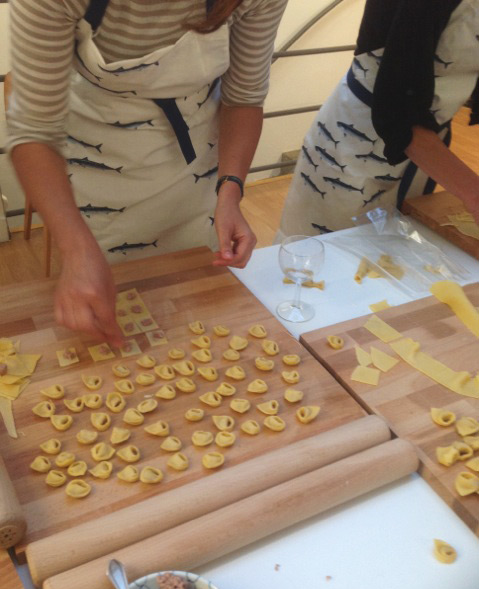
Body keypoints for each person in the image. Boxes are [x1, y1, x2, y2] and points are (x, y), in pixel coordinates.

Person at [6, 0, 288, 345]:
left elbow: (244, 98)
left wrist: (229, 192)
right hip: (98, 151)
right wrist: (78, 252)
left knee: (194, 313)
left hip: (195, 151)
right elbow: (33, 130)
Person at [278, 0, 479, 239]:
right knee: (324, 258)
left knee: (399, 256)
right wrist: (473, 194)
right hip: (358, 139)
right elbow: (396, 109)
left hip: (428, 147)